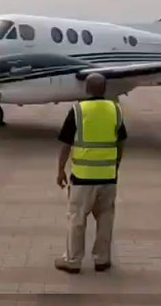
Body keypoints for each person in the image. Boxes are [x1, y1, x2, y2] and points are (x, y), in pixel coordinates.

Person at [54, 73, 127, 274]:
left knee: (76, 219)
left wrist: (60, 169)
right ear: (104, 89)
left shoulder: (78, 110)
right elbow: (121, 143)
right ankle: (102, 259)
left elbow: (66, 144)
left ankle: (73, 260)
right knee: (105, 218)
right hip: (108, 176)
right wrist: (115, 166)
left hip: (82, 177)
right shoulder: (115, 110)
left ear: (86, 89)